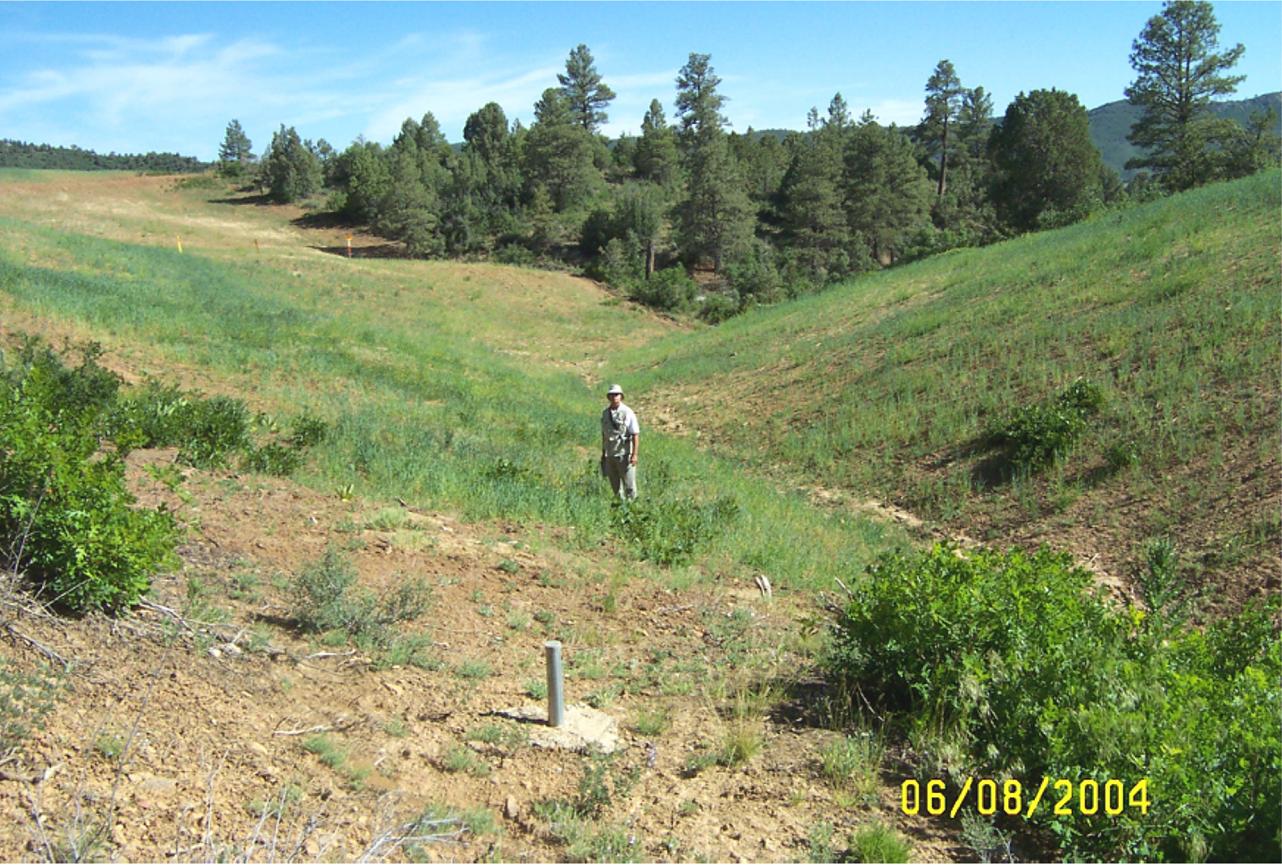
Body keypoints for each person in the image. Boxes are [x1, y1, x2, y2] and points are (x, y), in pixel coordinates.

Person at [600, 383, 639, 500]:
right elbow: (604, 434)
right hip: (610, 454)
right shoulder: (605, 413)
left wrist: (634, 454)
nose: (614, 397)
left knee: (629, 487)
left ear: (621, 396)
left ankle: (633, 510)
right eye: (612, 395)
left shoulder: (628, 412)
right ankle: (619, 511)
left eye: (617, 394)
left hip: (625, 454)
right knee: (615, 488)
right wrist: (603, 454)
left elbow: (635, 434)